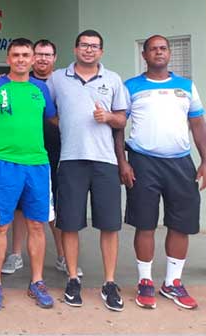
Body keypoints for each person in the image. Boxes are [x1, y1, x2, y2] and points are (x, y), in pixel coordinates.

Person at [115, 35, 206, 310]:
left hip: (180, 163)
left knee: (181, 223)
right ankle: (145, 281)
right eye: (153, 49)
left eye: (163, 48)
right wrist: (123, 162)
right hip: (143, 162)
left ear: (169, 53)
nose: (159, 52)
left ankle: (172, 283)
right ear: (144, 55)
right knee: (145, 223)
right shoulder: (131, 87)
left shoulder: (186, 87)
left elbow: (198, 126)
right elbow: (119, 127)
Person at [0, 38, 56, 310]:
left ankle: (37, 281)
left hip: (37, 165)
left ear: (33, 60)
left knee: (36, 225)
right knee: (0, 226)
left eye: (26, 55)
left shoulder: (41, 88)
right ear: (8, 59)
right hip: (3, 164)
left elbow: (52, 119)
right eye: (16, 55)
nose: (21, 59)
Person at [47, 29, 127, 311]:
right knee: (69, 222)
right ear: (75, 48)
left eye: (94, 46)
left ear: (101, 52)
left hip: (105, 162)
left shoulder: (113, 79)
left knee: (109, 224)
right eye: (84, 45)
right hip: (71, 160)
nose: (89, 50)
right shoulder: (57, 78)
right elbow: (49, 112)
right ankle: (72, 279)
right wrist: (69, 124)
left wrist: (108, 117)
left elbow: (121, 120)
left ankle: (108, 283)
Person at [2, 39, 84, 277]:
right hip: (22, 151)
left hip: (57, 151)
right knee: (19, 206)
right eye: (38, 54)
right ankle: (15, 254)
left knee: (53, 205)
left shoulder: (61, 82)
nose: (42, 59)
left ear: (55, 58)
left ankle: (62, 256)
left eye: (47, 54)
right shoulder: (14, 82)